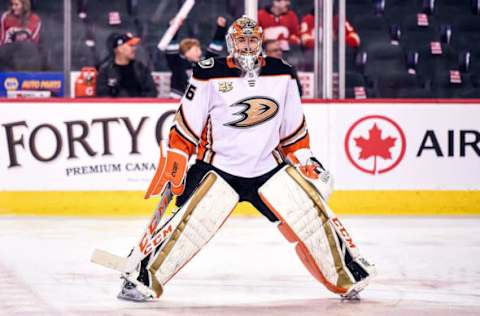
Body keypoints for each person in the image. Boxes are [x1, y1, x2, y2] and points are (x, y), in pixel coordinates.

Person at [116, 16, 376, 302]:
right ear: (231, 43)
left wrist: (306, 159)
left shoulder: (283, 73)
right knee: (186, 228)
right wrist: (177, 157)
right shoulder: (208, 72)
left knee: (313, 217)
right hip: (218, 167)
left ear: (261, 42)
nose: (248, 45)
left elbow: (293, 131)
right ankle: (140, 279)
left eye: (253, 40)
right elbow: (187, 124)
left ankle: (348, 277)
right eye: (242, 40)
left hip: (268, 167)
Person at [166, 16, 228, 98]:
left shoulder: (203, 63)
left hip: (199, 101)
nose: (199, 52)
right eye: (195, 50)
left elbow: (214, 49)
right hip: (178, 101)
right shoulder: (177, 63)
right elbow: (171, 44)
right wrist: (174, 27)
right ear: (185, 52)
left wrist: (221, 28)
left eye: (199, 49)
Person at [96, 32, 157, 97]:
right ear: (119, 49)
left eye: (134, 46)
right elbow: (102, 95)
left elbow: (151, 92)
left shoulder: (141, 69)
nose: (134, 48)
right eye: (131, 45)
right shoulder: (106, 71)